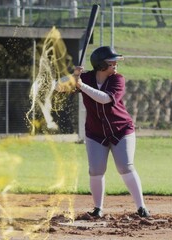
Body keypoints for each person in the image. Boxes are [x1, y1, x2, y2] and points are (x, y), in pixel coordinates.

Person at [57, 46, 150, 218]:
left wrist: (81, 85)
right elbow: (58, 87)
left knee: (125, 166)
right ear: (100, 64)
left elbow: (105, 99)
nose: (115, 64)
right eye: (111, 62)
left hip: (121, 129)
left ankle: (141, 207)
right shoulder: (85, 78)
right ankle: (98, 208)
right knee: (96, 170)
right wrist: (72, 76)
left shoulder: (117, 79)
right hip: (95, 132)